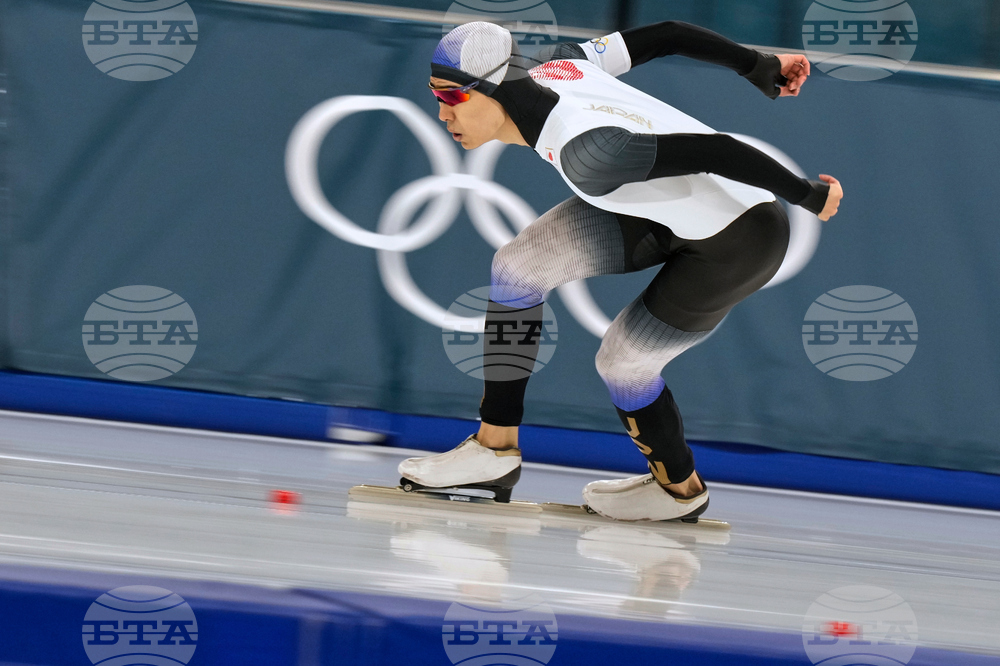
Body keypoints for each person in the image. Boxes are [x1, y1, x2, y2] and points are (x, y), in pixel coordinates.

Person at [398, 20, 843, 522]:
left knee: (623, 364)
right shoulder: (562, 65)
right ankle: (493, 449)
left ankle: (679, 490)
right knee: (519, 268)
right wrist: (758, 65)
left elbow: (719, 152)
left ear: (495, 87)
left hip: (740, 238)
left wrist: (807, 193)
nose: (441, 113)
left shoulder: (589, 152)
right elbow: (667, 34)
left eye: (452, 97)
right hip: (658, 208)